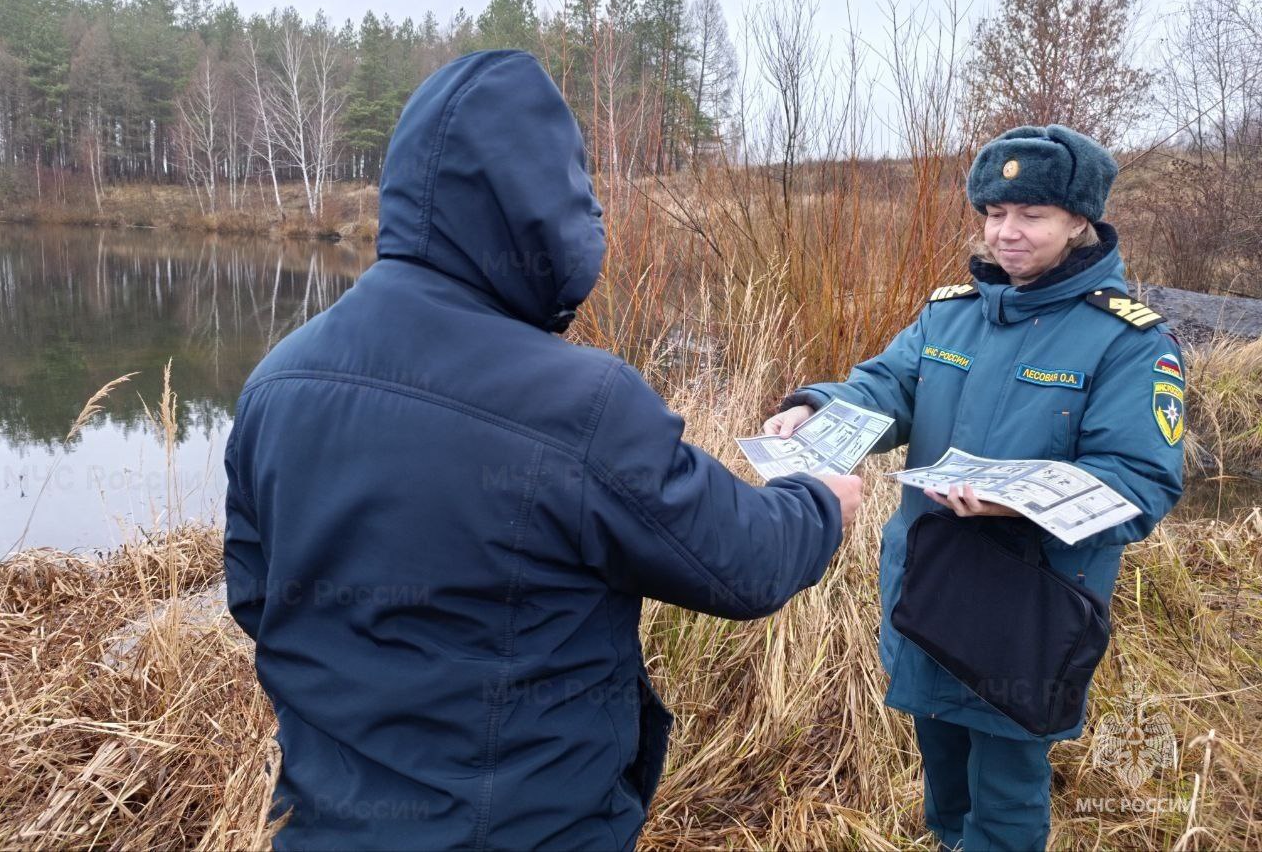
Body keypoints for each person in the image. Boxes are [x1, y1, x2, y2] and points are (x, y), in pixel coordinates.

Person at [222, 48, 863, 851]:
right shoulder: (581, 403)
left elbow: (254, 596)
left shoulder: (277, 380)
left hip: (327, 825)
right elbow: (743, 563)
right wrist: (820, 505)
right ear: (543, 211)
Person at [765, 124, 1185, 851]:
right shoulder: (950, 312)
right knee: (947, 788)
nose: (1007, 233)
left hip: (1029, 610)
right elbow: (886, 386)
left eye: (1032, 215)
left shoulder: (1128, 342)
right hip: (929, 587)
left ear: (1080, 222)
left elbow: (1140, 480)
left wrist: (1016, 500)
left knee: (1004, 800)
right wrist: (816, 410)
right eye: (994, 213)